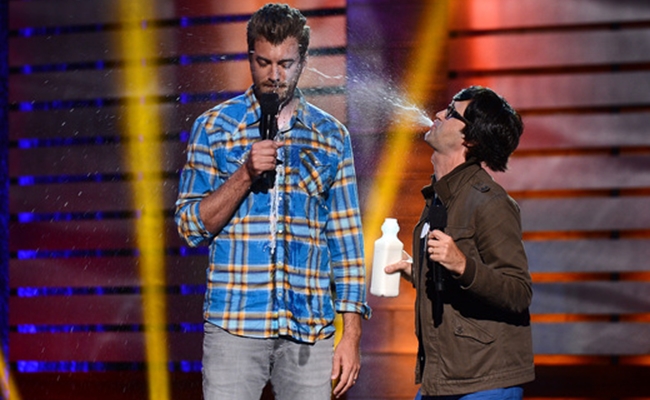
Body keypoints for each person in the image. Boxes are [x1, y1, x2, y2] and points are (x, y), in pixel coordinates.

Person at [174, 4, 371, 400]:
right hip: (234, 325)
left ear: (303, 61)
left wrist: (351, 335)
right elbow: (190, 227)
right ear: (250, 56)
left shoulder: (331, 136)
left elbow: (346, 241)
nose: (275, 75)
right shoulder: (214, 127)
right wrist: (244, 174)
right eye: (263, 62)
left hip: (309, 330)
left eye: (285, 64)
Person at [386, 86, 535, 399]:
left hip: (485, 381)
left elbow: (519, 292)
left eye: (452, 112)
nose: (439, 114)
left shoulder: (490, 202)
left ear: (472, 139)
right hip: (445, 377)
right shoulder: (440, 198)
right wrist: (416, 271)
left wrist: (462, 265)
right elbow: (452, 276)